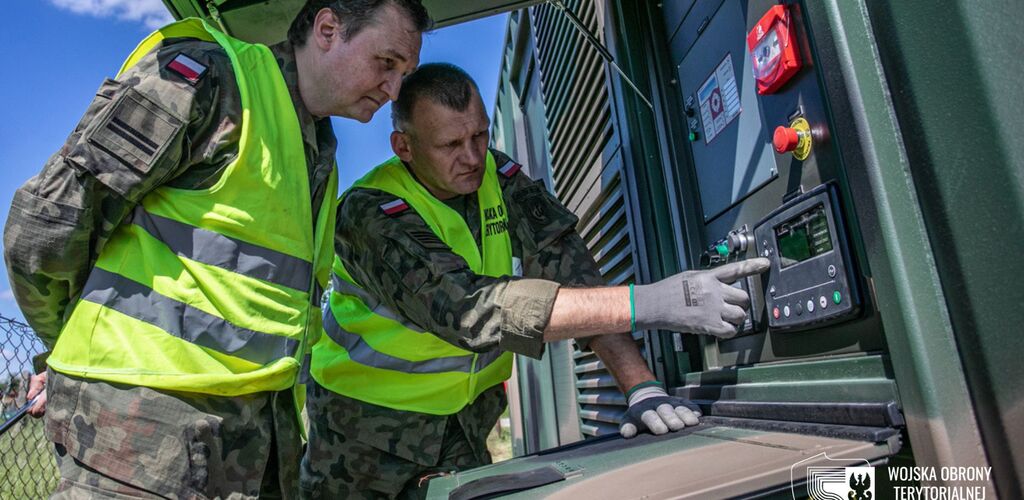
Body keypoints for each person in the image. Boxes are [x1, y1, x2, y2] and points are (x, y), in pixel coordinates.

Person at [2, 1, 430, 497]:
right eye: (387, 63)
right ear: (328, 29)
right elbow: (43, 229)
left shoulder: (318, 151)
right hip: (139, 444)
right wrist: (65, 347)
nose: (394, 89)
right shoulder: (209, 78)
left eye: (406, 73)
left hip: (252, 444)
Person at [300, 63, 770, 498]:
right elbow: (469, 310)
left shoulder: (499, 177)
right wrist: (652, 302)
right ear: (404, 147)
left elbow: (571, 271)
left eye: (480, 135)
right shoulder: (368, 212)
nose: (472, 157)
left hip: (464, 425)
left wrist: (640, 387)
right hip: (361, 435)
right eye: (449, 146)